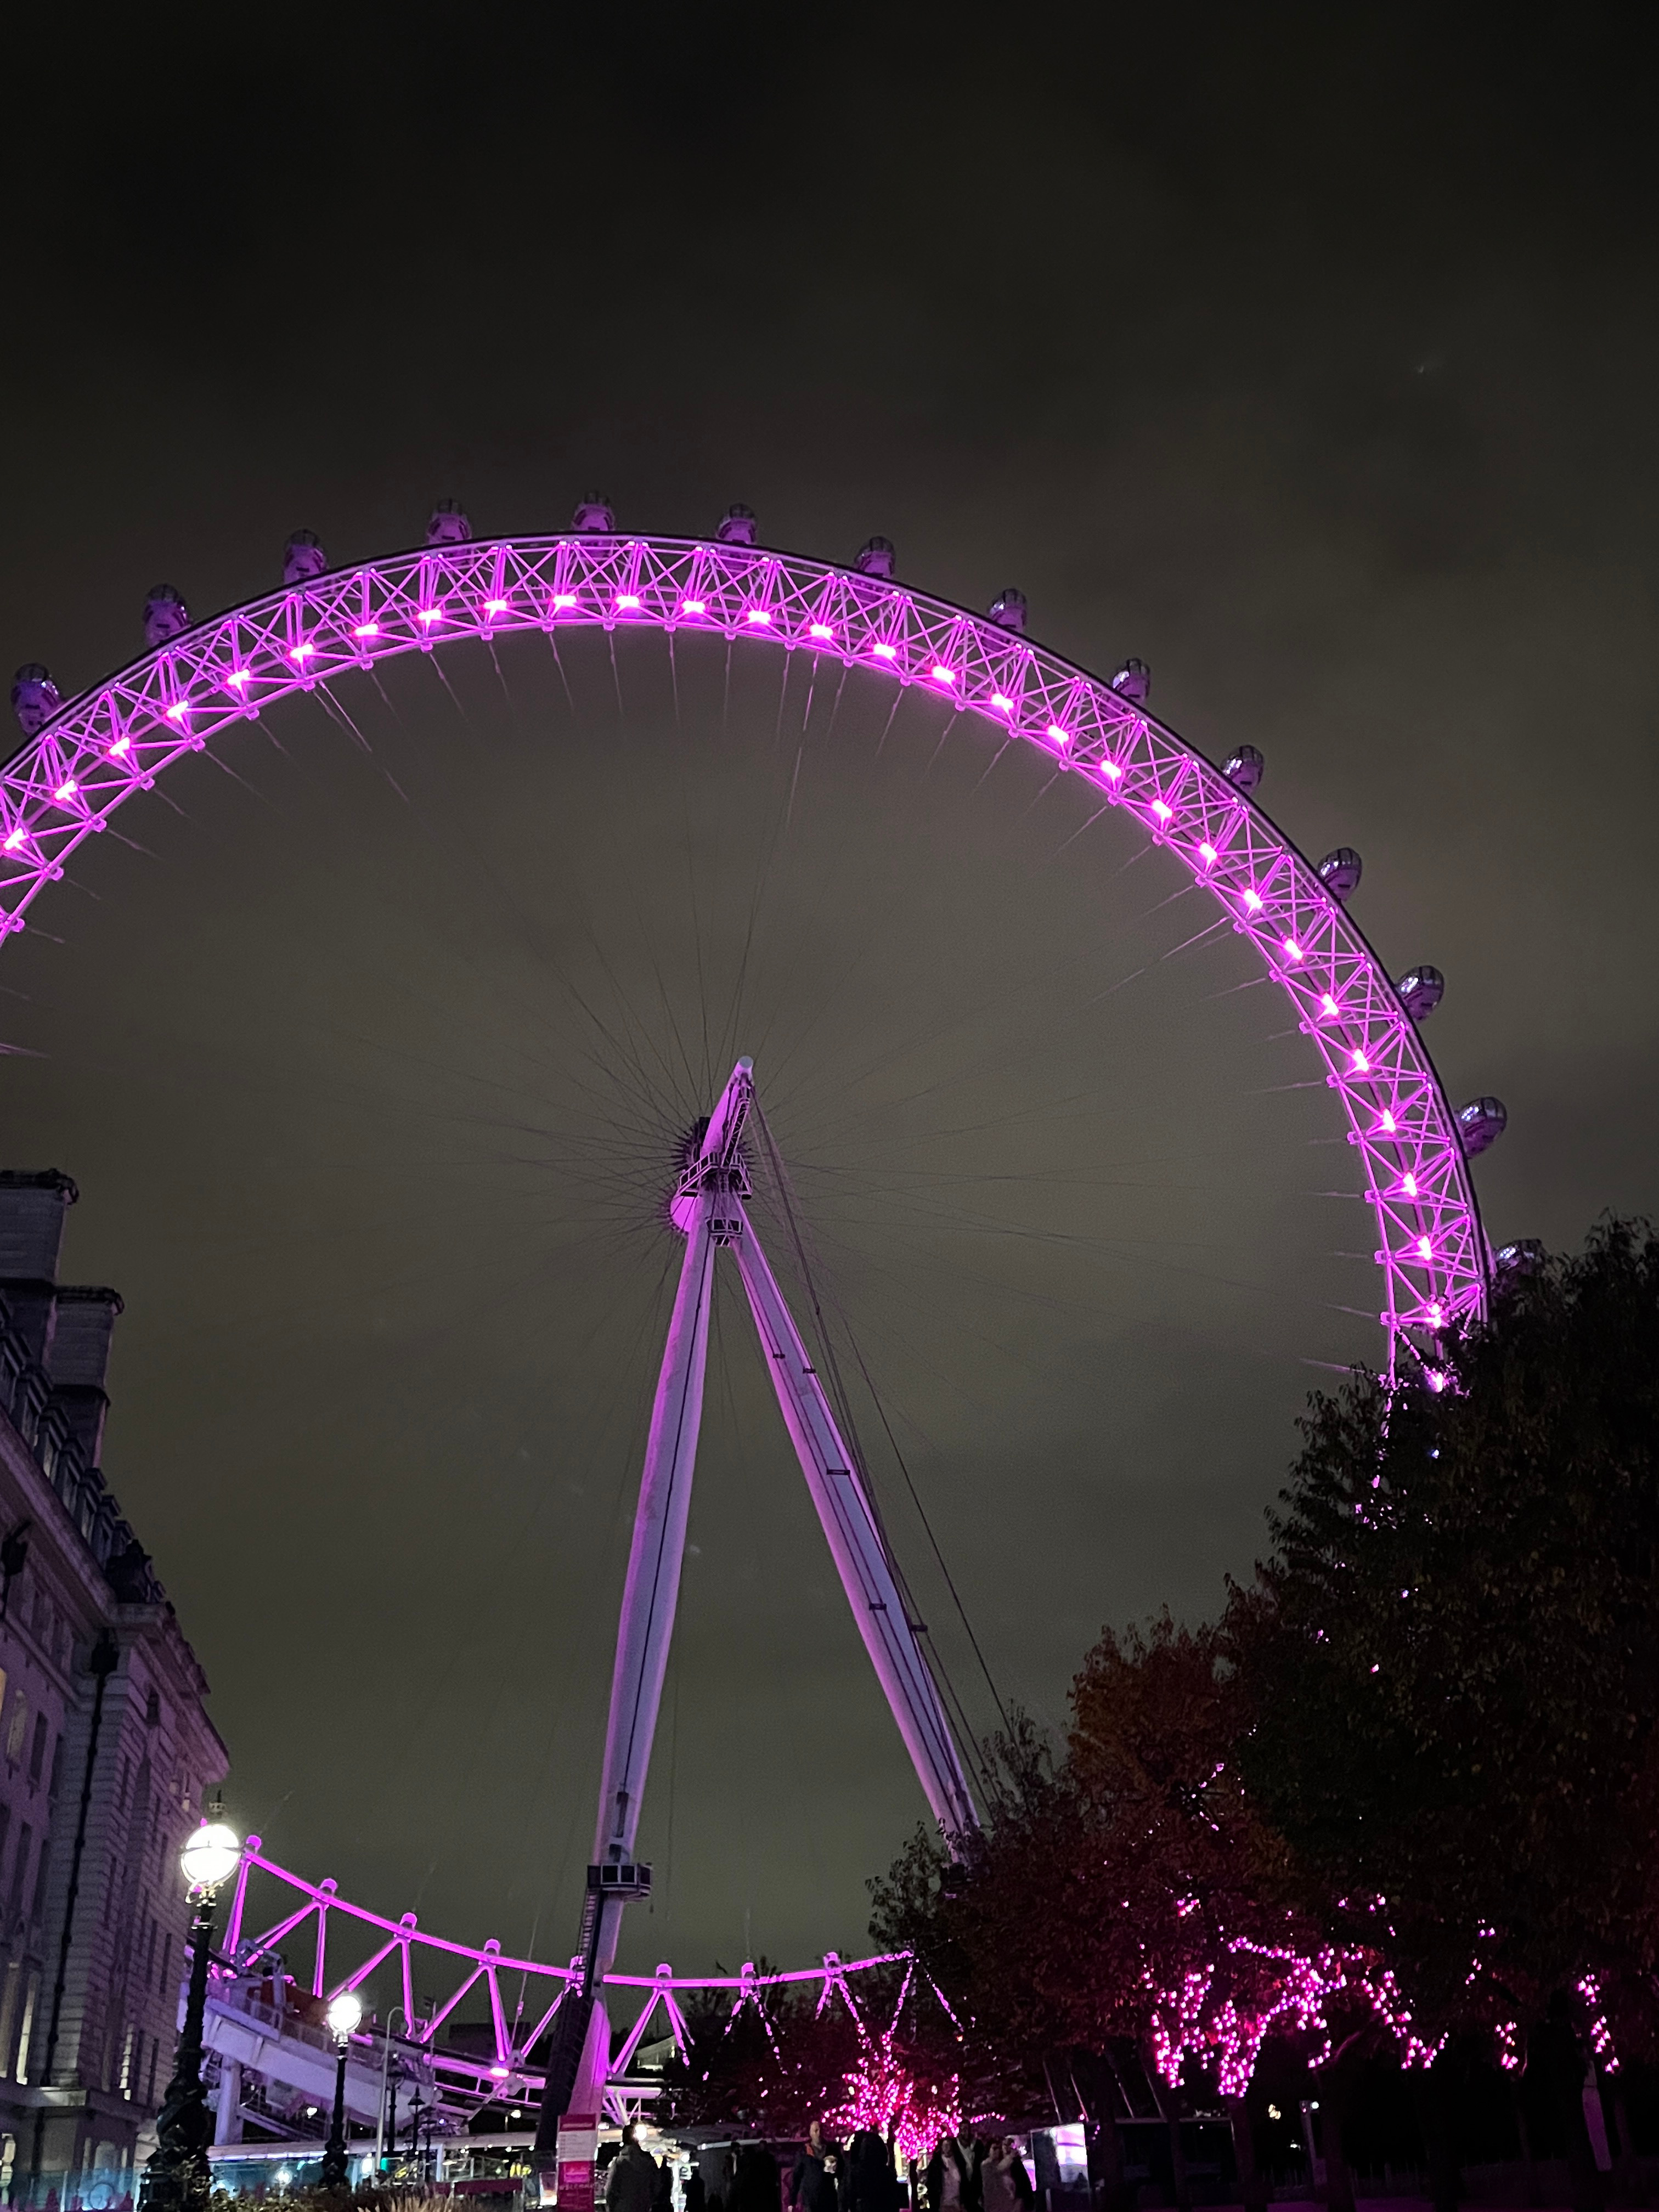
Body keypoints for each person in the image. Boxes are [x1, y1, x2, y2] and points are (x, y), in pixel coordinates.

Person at [790, 2121, 843, 2212]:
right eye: (816, 2131)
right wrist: (792, 2202)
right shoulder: (804, 2152)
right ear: (811, 2133)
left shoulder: (832, 2150)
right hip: (811, 2202)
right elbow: (796, 2177)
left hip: (829, 2200)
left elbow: (842, 2174)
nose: (819, 2134)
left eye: (820, 2130)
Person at [606, 2124, 661, 2212]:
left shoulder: (619, 2162)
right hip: (643, 2207)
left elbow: (612, 2190)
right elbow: (656, 2187)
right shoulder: (649, 2162)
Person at [979, 2141, 1033, 2212]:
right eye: (995, 2148)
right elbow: (998, 2169)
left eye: (999, 2148)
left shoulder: (1011, 2165)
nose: (997, 2151)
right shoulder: (986, 2165)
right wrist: (1011, 2157)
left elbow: (1022, 2183)